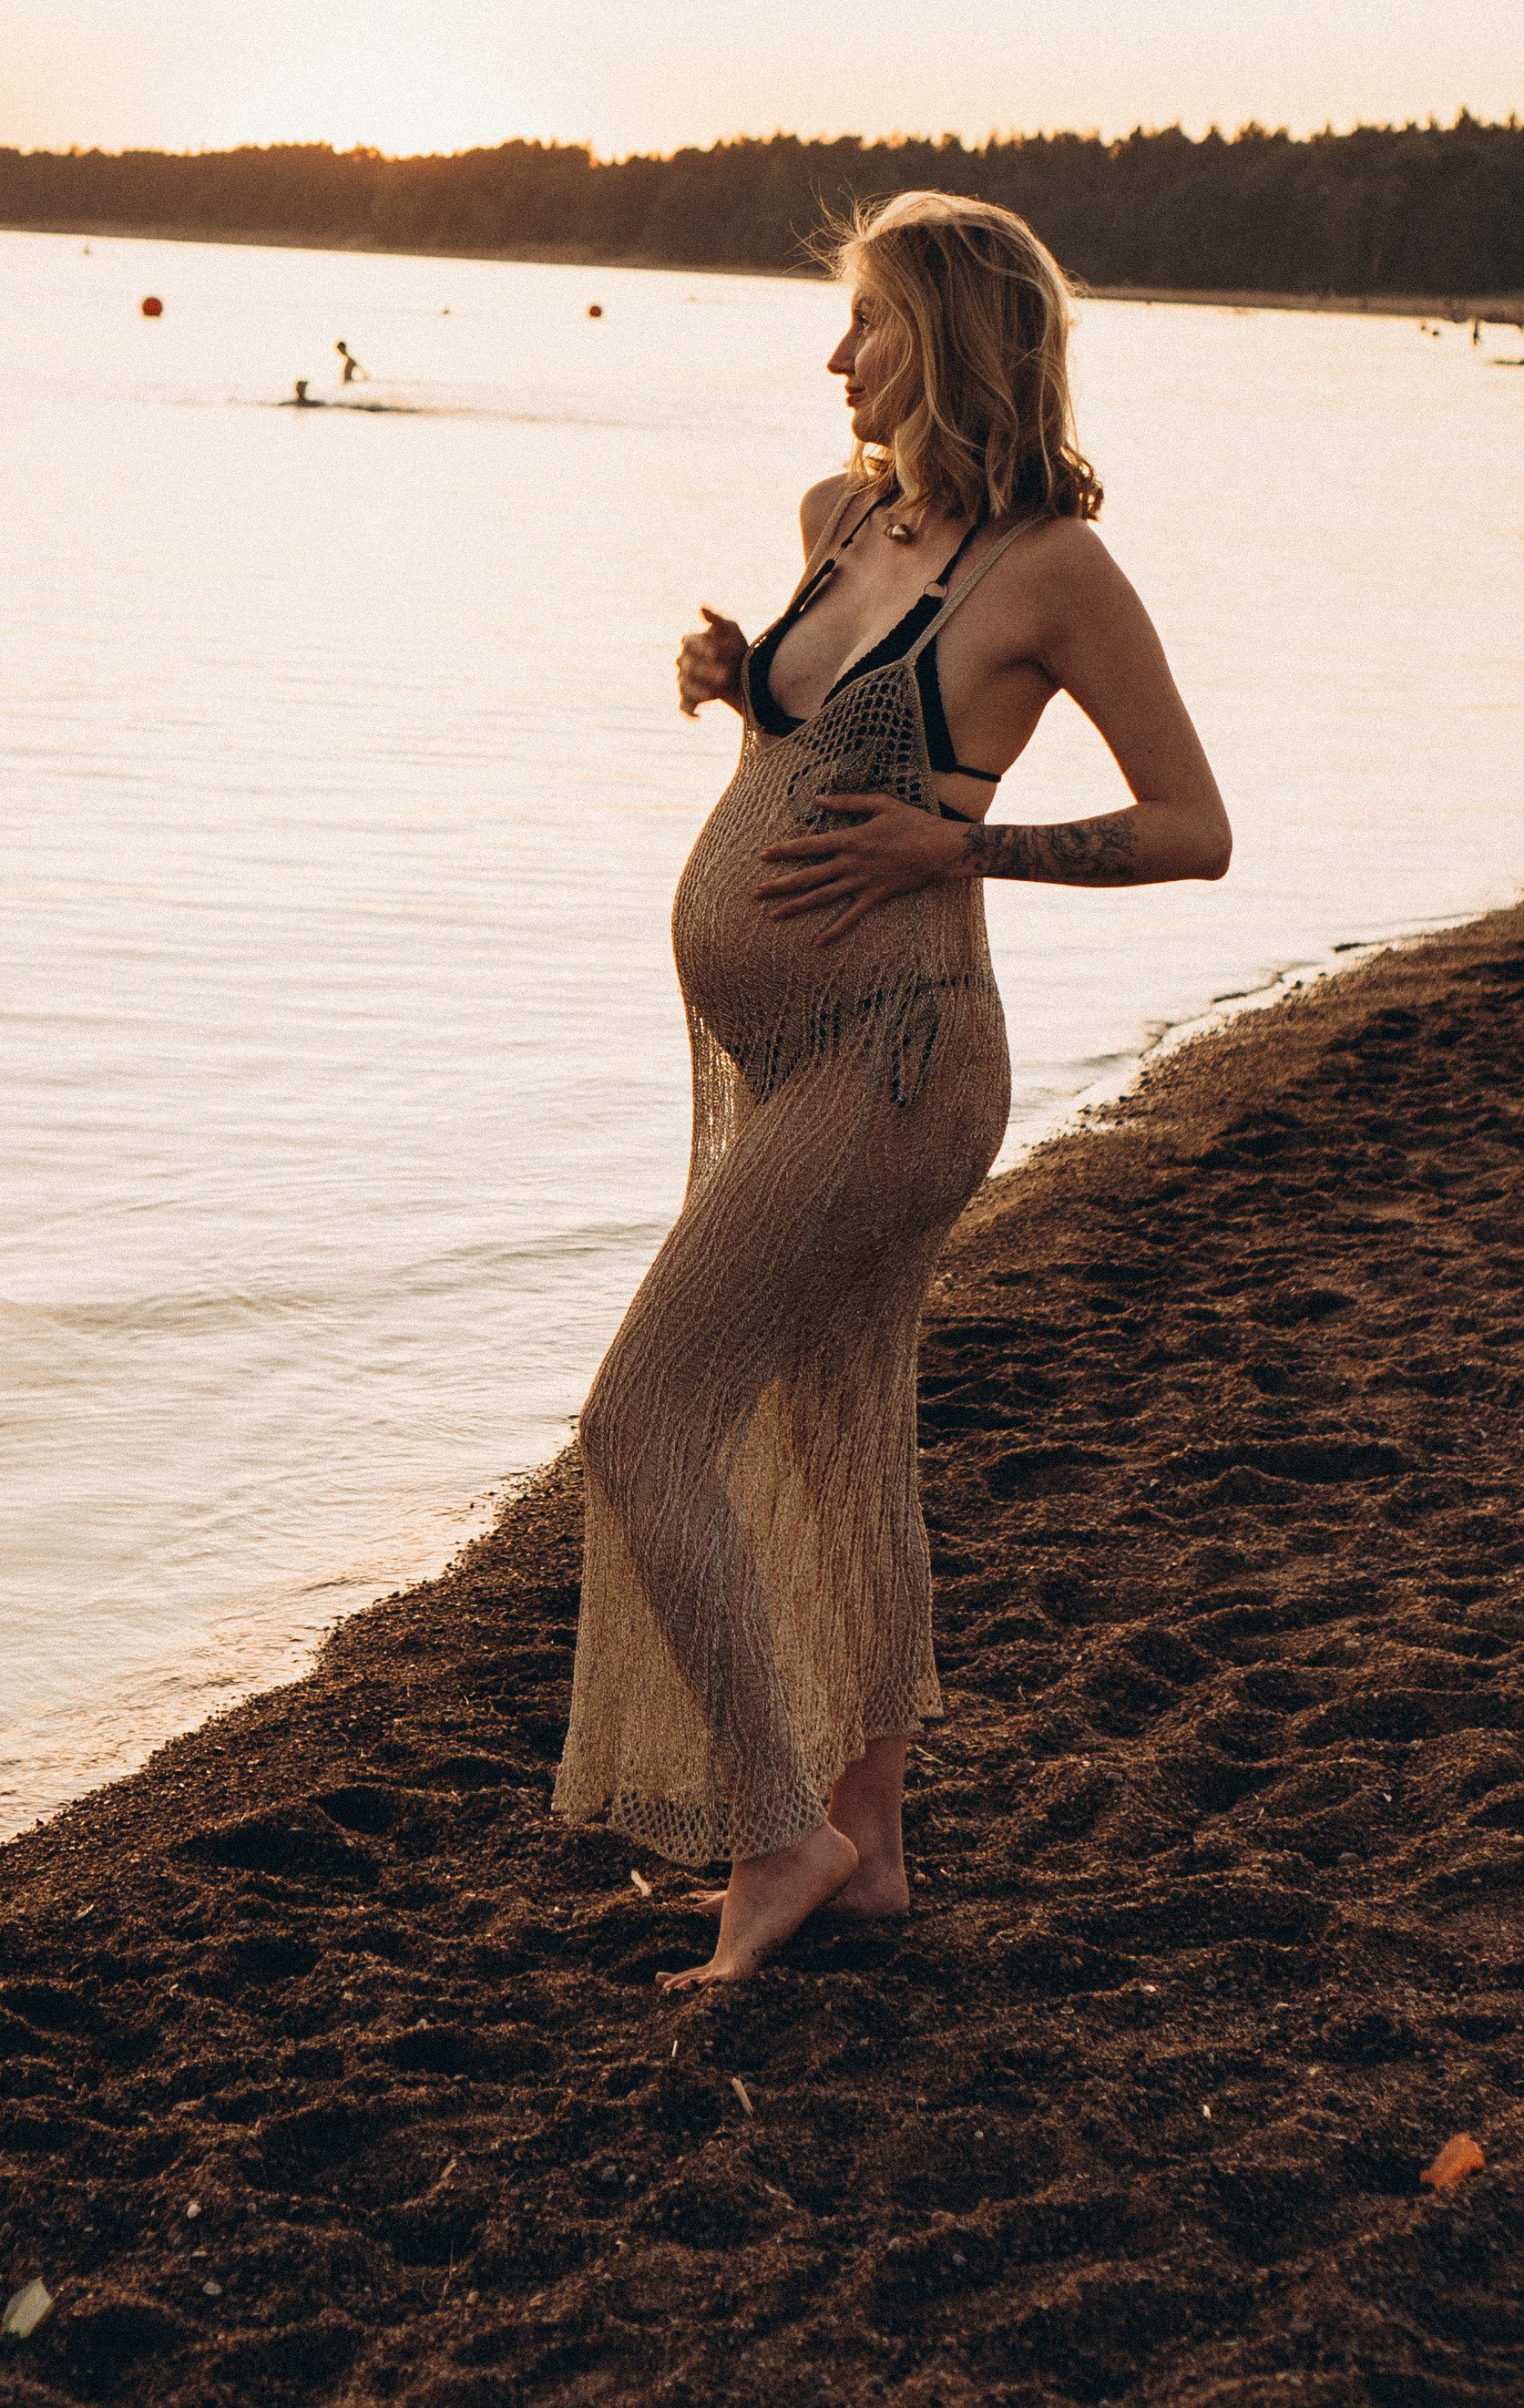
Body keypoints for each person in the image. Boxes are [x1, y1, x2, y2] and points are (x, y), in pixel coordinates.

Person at [553, 191, 1231, 1987]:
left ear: (949, 338)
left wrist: (967, 840)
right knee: (836, 1441)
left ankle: (777, 1830)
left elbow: (1194, 829)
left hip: (902, 1059)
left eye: (865, 321)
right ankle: (871, 1860)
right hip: (790, 1052)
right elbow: (825, 750)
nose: (835, 354)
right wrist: (740, 688)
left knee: (641, 1429)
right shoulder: (837, 517)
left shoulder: (1055, 575)